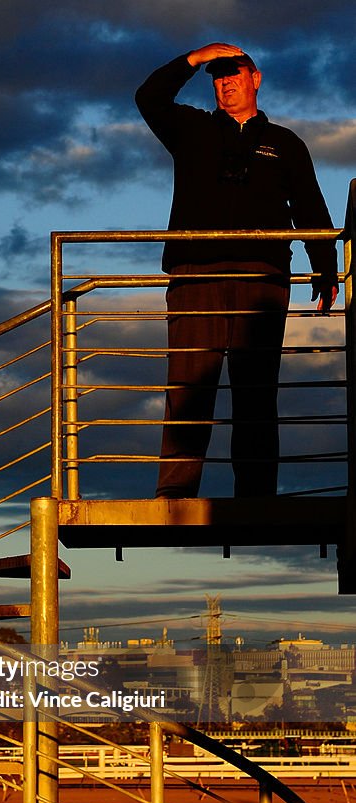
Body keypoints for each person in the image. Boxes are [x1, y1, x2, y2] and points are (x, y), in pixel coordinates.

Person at [135, 43, 339, 498]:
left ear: (255, 78)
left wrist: (326, 269)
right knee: (188, 384)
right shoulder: (189, 128)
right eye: (218, 76)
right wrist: (193, 58)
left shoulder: (286, 143)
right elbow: (148, 98)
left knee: (256, 390)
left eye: (234, 73)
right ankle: (176, 493)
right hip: (195, 274)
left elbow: (309, 204)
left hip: (262, 277)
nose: (226, 82)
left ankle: (257, 492)